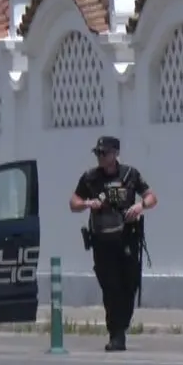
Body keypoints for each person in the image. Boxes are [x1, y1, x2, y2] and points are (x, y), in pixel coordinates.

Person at [68, 136, 155, 353]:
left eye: (104, 153)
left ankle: (122, 325)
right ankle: (116, 334)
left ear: (115, 153)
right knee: (111, 287)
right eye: (98, 153)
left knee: (130, 283)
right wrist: (89, 203)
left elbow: (152, 196)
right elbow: (73, 203)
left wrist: (140, 206)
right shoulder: (90, 178)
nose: (100, 157)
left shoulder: (129, 175)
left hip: (127, 239)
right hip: (102, 242)